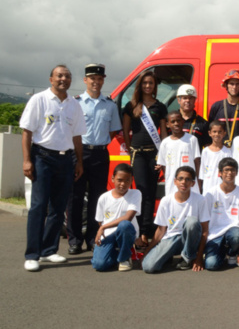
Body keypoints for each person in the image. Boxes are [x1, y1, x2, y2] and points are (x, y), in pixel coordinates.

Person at [20, 65, 86, 271]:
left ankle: (49, 250)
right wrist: (27, 160)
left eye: (67, 76)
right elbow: (27, 132)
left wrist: (79, 161)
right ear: (51, 79)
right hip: (42, 157)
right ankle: (33, 254)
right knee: (39, 206)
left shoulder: (74, 105)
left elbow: (77, 136)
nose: (63, 79)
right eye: (59, 76)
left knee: (58, 208)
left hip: (66, 160)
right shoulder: (39, 100)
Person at [67, 63, 121, 255]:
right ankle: (74, 240)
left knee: (98, 198)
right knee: (75, 197)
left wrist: (100, 143)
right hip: (78, 153)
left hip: (100, 153)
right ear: (85, 80)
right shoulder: (75, 103)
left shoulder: (110, 105)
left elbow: (114, 130)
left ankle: (92, 238)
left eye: (99, 79)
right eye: (92, 79)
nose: (96, 82)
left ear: (103, 80)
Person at [122, 70, 168, 246]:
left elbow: (163, 133)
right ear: (140, 85)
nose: (148, 86)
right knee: (140, 191)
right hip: (138, 153)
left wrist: (162, 156)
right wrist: (130, 149)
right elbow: (126, 131)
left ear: (154, 86)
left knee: (150, 193)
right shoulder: (131, 105)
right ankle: (139, 231)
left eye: (151, 83)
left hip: (154, 153)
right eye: (145, 83)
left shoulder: (160, 107)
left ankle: (146, 233)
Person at [142, 166, 209, 273]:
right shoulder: (166, 201)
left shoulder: (200, 200)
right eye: (180, 179)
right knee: (148, 267)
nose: (184, 182)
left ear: (193, 183)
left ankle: (187, 257)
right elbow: (161, 230)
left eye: (188, 179)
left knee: (191, 222)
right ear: (175, 181)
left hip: (190, 240)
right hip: (171, 238)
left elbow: (205, 230)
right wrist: (148, 250)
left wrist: (199, 257)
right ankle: (167, 256)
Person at [90, 164, 140, 272]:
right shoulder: (103, 197)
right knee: (99, 265)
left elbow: (127, 218)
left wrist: (103, 227)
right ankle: (118, 253)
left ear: (132, 180)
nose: (123, 184)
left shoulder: (136, 194)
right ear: (113, 179)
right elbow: (100, 221)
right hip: (108, 235)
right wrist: (103, 228)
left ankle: (124, 258)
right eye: (119, 180)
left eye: (127, 180)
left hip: (126, 232)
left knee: (124, 225)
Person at [203, 158, 239, 271]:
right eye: (226, 170)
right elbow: (205, 220)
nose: (229, 173)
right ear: (220, 173)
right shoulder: (210, 193)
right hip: (214, 234)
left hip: (233, 231)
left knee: (236, 236)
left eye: (232, 170)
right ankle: (222, 253)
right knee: (211, 265)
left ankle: (232, 253)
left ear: (236, 173)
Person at [156, 111, 202, 196]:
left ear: (183, 122)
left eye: (178, 120)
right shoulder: (165, 143)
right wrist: (169, 179)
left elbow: (197, 163)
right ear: (167, 124)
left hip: (190, 184)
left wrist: (198, 182)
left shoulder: (192, 139)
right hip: (172, 185)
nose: (176, 123)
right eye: (173, 121)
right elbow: (163, 166)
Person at [208, 69, 239, 147]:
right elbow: (210, 132)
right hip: (221, 150)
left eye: (237, 84)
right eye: (231, 84)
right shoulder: (216, 107)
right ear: (226, 85)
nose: (234, 87)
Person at [198, 121, 232, 193]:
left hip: (223, 188)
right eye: (214, 132)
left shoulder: (228, 152)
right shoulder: (205, 151)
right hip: (208, 188)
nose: (217, 134)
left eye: (220, 132)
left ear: (224, 133)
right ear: (210, 133)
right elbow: (202, 173)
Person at [176, 84, 210, 149]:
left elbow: (207, 148)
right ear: (178, 100)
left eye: (191, 98)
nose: (188, 101)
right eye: (184, 98)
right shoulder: (171, 121)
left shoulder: (203, 123)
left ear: (194, 100)